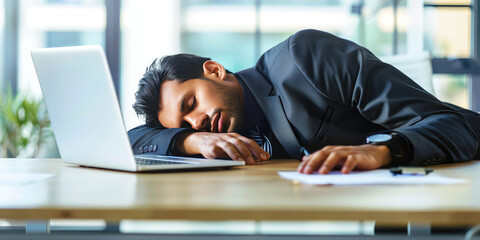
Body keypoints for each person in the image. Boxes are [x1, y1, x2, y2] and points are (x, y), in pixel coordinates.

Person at [128, 29, 480, 174]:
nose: (196, 120)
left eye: (191, 103)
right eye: (184, 123)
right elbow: (132, 139)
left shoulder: (304, 58)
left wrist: (382, 150)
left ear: (214, 70)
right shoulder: (211, 136)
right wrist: (190, 140)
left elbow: (458, 124)